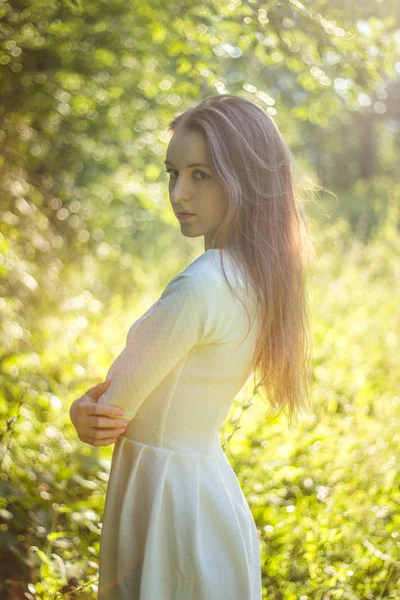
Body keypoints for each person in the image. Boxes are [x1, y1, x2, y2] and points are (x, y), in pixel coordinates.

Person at [69, 94, 313, 599]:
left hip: (170, 506)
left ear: (246, 178)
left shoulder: (202, 283)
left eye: (201, 174)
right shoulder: (257, 275)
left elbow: (110, 411)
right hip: (200, 492)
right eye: (172, 173)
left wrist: (81, 411)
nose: (179, 193)